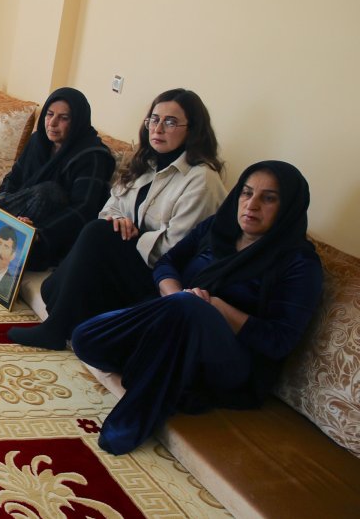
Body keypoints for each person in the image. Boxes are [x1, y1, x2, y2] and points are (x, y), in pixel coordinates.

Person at [71, 161, 322, 455]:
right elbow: (167, 263)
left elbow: (278, 341)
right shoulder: (217, 228)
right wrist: (177, 296)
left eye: (268, 198)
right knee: (86, 339)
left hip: (231, 364)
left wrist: (214, 306)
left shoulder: (299, 263)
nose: (251, 205)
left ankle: (131, 420)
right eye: (246, 192)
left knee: (189, 309)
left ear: (288, 206)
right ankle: (161, 365)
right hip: (174, 323)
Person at [8, 88, 227, 349]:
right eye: (154, 120)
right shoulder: (146, 164)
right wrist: (118, 222)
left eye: (170, 122)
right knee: (52, 289)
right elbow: (110, 208)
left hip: (159, 278)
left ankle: (54, 330)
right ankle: (72, 317)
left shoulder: (201, 179)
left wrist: (130, 233)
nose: (157, 128)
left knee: (97, 233)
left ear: (192, 129)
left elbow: (176, 249)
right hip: (125, 262)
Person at [0, 87, 115, 270]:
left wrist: (39, 232)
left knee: (48, 192)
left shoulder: (91, 156)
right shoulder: (38, 141)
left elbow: (83, 209)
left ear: (77, 121)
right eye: (49, 114)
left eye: (63, 118)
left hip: (51, 233)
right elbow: (14, 177)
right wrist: (4, 202)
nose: (52, 123)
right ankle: (14, 240)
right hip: (19, 214)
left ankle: (23, 245)